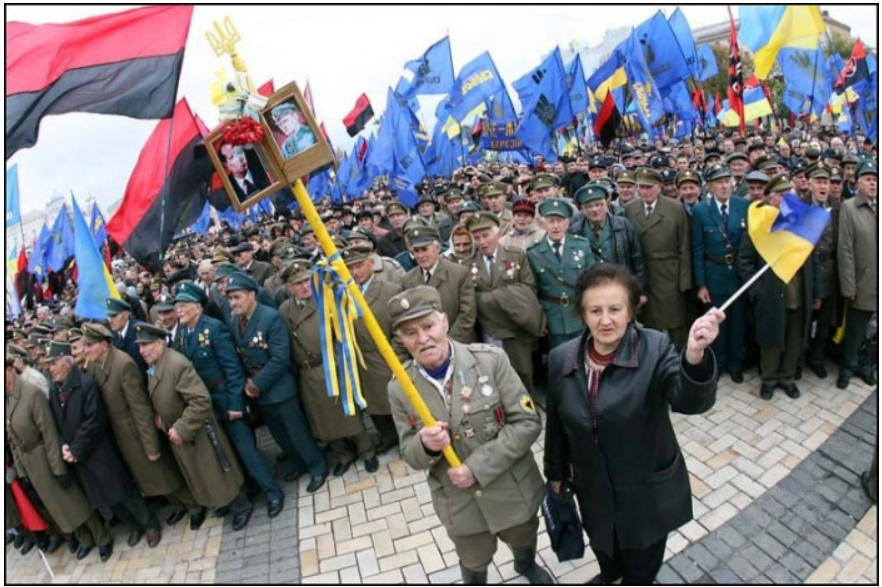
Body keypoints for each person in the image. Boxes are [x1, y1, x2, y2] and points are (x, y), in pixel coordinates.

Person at [544, 263, 722, 585]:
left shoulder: (655, 348)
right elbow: (556, 426)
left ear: (630, 311)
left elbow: (688, 401)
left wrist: (694, 356)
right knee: (605, 549)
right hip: (594, 492)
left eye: (615, 309)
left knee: (640, 568)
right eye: (595, 310)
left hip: (645, 497)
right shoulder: (561, 358)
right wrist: (555, 475)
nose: (605, 320)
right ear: (582, 314)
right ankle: (611, 574)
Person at [386, 286, 553, 586]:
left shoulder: (491, 360)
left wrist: (476, 468)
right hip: (461, 504)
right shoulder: (400, 388)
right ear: (400, 338)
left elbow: (527, 422)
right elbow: (410, 454)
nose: (422, 338)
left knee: (524, 537)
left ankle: (526, 564)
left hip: (511, 489)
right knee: (474, 560)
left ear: (444, 321)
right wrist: (425, 445)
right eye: (410, 332)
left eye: (428, 326)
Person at [172, 282, 286, 519]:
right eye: (177, 306)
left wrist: (235, 404)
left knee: (246, 450)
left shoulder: (214, 329)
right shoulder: (182, 333)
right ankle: (249, 486)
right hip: (206, 405)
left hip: (225, 399)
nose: (178, 310)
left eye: (183, 305)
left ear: (197, 307)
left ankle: (273, 492)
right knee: (228, 452)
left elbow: (233, 369)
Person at [135, 323, 255, 532]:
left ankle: (241, 506)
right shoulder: (156, 365)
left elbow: (201, 401)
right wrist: (160, 416)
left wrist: (181, 428)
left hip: (198, 432)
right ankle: (223, 501)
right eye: (139, 346)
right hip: (182, 434)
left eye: (146, 345)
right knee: (205, 476)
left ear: (160, 343)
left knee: (217, 472)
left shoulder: (176, 365)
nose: (141, 351)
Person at [81, 323, 192, 538]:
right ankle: (179, 505)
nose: (86, 350)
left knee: (161, 472)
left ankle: (193, 505)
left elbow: (140, 408)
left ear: (103, 345)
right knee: (148, 478)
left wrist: (151, 445)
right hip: (121, 435)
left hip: (136, 432)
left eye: (89, 345)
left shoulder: (123, 364)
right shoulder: (94, 365)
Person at [225, 272, 328, 493]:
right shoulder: (235, 320)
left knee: (297, 432)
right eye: (230, 298)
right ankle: (299, 463)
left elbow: (280, 358)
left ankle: (317, 466)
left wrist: (256, 384)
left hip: (279, 389)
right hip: (260, 393)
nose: (233, 303)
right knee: (280, 434)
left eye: (237, 297)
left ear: (252, 295)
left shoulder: (270, 317)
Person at [5, 354, 111, 561]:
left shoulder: (31, 393)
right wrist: (22, 470)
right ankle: (84, 538)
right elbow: (13, 439)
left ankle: (102, 537)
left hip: (46, 457)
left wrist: (58, 468)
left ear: (9, 370)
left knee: (73, 501)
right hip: (31, 462)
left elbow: (49, 432)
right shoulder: (7, 398)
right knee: (57, 507)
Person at [277, 261, 379, 476]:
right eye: (298, 283)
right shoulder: (285, 310)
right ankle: (343, 454)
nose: (305, 286)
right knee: (322, 418)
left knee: (348, 414)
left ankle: (367, 451)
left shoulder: (325, 299)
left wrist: (338, 358)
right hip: (308, 372)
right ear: (289, 287)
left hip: (332, 366)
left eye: (307, 280)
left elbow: (342, 330)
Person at [739, 173, 821, 400]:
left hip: (799, 291)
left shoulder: (801, 221)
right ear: (770, 198)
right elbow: (745, 262)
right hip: (771, 293)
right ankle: (769, 379)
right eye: (781, 195)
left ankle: (787, 378)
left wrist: (816, 292)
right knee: (771, 339)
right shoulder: (760, 225)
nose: (786, 199)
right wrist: (758, 290)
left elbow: (813, 260)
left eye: (789, 194)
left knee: (795, 338)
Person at [465, 211, 546, 395]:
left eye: (486, 235)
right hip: (490, 331)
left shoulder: (516, 256)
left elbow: (528, 290)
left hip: (516, 328)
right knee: (494, 378)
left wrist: (489, 299)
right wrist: (503, 297)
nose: (482, 242)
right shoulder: (468, 265)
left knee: (523, 375)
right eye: (476, 238)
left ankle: (527, 410)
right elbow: (470, 300)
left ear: (497, 234)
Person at [340, 246, 403, 455]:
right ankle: (388, 436)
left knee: (394, 401)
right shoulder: (343, 293)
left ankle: (406, 437)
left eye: (359, 265)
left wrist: (395, 355)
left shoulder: (390, 290)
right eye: (350, 268)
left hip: (385, 356)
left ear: (371, 263)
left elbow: (401, 329)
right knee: (373, 404)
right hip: (360, 358)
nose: (355, 272)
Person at [623, 168, 694, 349]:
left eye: (649, 187)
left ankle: (679, 358)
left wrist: (685, 281)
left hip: (670, 273)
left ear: (659, 187)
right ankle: (652, 358)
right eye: (641, 187)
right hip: (643, 274)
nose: (645, 191)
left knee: (675, 321)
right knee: (648, 322)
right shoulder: (630, 208)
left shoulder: (675, 208)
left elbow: (685, 246)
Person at [692, 163, 748, 383]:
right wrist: (701, 284)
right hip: (713, 275)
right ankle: (718, 364)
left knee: (738, 322)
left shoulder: (743, 205)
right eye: (719, 182)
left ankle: (735, 364)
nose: (724, 186)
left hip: (738, 277)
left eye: (727, 181)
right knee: (717, 323)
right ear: (710, 187)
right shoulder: (701, 210)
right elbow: (697, 249)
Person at [528, 198, 594, 350]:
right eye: (551, 221)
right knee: (557, 359)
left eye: (560, 220)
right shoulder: (534, 253)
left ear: (568, 223)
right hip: (552, 319)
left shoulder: (582, 246)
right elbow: (533, 290)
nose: (556, 226)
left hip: (579, 315)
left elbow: (593, 282)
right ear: (543, 223)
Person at [836, 160, 878, 389]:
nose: (873, 183)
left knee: (874, 332)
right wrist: (849, 285)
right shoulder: (849, 207)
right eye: (868, 179)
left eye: (876, 179)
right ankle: (848, 366)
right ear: (858, 182)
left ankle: (867, 365)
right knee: (855, 329)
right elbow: (845, 249)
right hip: (862, 281)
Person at [401, 226, 477, 344]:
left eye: (424, 249)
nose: (420, 255)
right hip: (424, 345)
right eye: (416, 251)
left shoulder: (459, 273)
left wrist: (447, 343)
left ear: (437, 248)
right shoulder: (408, 279)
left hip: (458, 343)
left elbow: (467, 315)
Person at [106, 297, 149, 380]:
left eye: (114, 316)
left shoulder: (141, 332)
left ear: (126, 315)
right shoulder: (112, 335)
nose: (110, 320)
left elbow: (152, 365)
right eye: (109, 316)